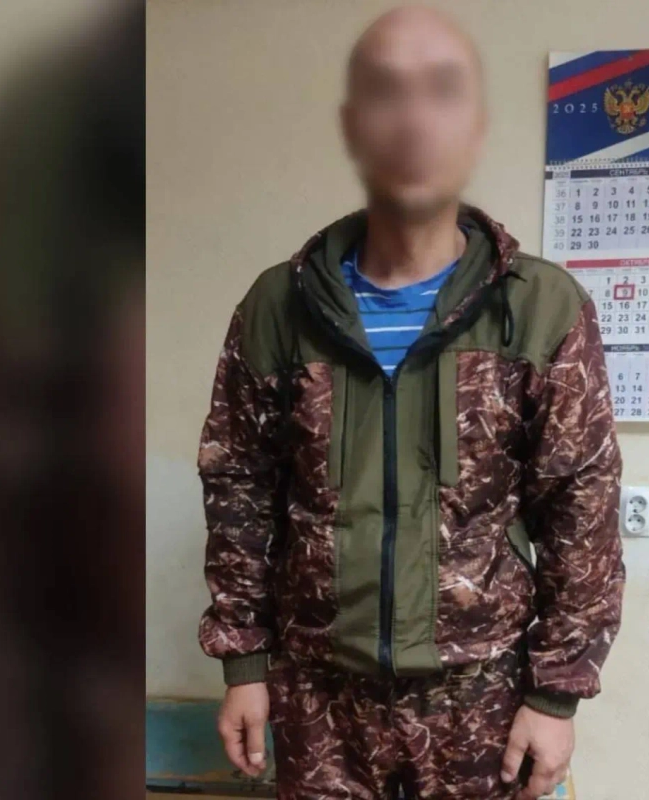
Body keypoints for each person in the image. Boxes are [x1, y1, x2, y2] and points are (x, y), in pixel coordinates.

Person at [197, 7, 624, 799]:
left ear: (477, 126)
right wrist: (244, 664)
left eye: (443, 91)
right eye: (387, 92)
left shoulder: (539, 309)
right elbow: (239, 493)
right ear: (352, 128)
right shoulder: (279, 309)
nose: (414, 120)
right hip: (318, 698)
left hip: (481, 700)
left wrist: (556, 694)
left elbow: (581, 507)